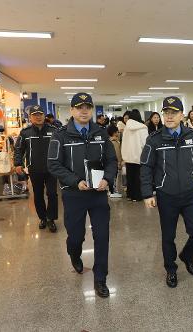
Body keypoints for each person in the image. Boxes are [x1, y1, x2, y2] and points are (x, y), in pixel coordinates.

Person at [47, 92, 117, 298]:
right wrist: (74, 181)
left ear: (92, 110)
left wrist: (108, 178)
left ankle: (100, 278)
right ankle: (74, 253)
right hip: (73, 195)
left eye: (88, 107)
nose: (84, 111)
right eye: (79, 107)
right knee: (76, 236)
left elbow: (112, 161)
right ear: (72, 111)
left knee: (102, 236)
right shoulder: (60, 135)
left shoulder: (101, 133)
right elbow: (53, 164)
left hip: (98, 194)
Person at [140, 96, 193, 288]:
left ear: (182, 115)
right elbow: (146, 166)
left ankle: (187, 256)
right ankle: (171, 269)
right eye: (166, 113)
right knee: (168, 236)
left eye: (174, 113)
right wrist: (147, 193)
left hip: (189, 194)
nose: (169, 116)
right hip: (166, 195)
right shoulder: (154, 139)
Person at [14, 105, 58, 232]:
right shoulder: (25, 133)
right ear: (30, 117)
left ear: (44, 115)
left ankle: (51, 218)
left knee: (52, 194)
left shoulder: (54, 130)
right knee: (38, 195)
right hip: (35, 169)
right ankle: (43, 218)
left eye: (40, 114)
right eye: (35, 115)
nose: (38, 117)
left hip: (52, 169)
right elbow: (18, 149)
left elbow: (61, 147)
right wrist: (18, 163)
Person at [121, 109, 148, 202]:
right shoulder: (143, 128)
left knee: (130, 177)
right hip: (139, 156)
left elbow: (123, 143)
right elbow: (145, 143)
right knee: (138, 177)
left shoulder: (126, 128)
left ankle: (130, 195)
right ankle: (137, 196)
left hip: (128, 156)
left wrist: (123, 156)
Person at [107, 125, 123, 198]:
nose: (118, 133)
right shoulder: (114, 142)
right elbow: (117, 154)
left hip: (110, 163)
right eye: (117, 132)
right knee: (114, 178)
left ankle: (111, 191)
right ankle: (112, 191)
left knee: (112, 177)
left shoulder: (109, 141)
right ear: (114, 133)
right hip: (114, 163)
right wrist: (119, 162)